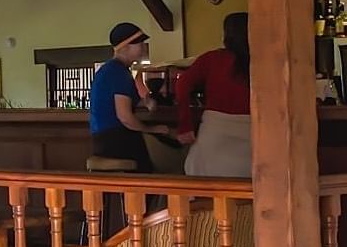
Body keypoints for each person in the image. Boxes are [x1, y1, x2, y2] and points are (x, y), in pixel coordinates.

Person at [89, 22, 172, 172]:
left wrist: (146, 100)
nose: (143, 47)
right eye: (139, 43)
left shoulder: (109, 70)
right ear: (125, 47)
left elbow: (132, 99)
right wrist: (152, 129)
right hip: (116, 140)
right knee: (164, 163)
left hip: (102, 141)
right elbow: (125, 117)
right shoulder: (118, 72)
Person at [176, 12, 251, 177]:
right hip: (254, 132)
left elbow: (182, 83)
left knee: (200, 175)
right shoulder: (264, 60)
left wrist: (185, 125)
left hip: (216, 130)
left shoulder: (213, 59)